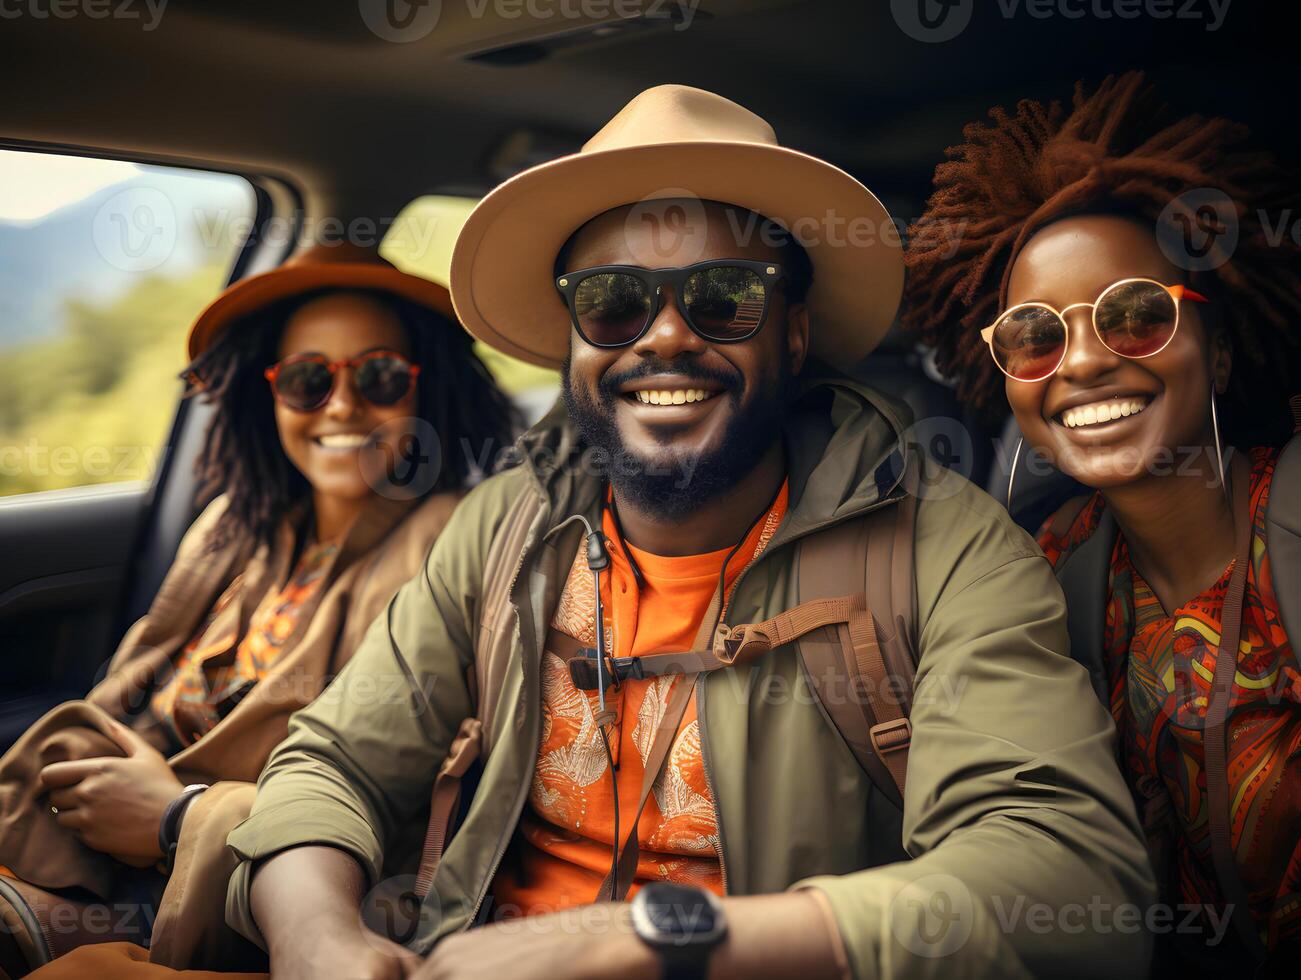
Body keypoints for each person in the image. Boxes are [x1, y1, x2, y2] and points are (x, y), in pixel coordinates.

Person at [226, 85, 1154, 980]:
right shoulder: (505, 525)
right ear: (575, 341)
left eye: (721, 298)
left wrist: (662, 940)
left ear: (790, 337)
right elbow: (332, 759)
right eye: (613, 302)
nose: (662, 337)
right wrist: (313, 939)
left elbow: (1072, 880)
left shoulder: (943, 549)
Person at [0, 243, 516, 977]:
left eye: (379, 376)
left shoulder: (457, 545)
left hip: (241, 905)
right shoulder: (231, 530)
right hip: (80, 858)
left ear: (426, 391)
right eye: (307, 380)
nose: (341, 406)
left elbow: (411, 816)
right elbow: (122, 699)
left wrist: (179, 818)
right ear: (265, 394)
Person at [902, 72, 1301, 975]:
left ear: (1223, 350)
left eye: (1133, 318)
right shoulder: (1030, 574)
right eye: (1036, 336)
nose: (1080, 362)